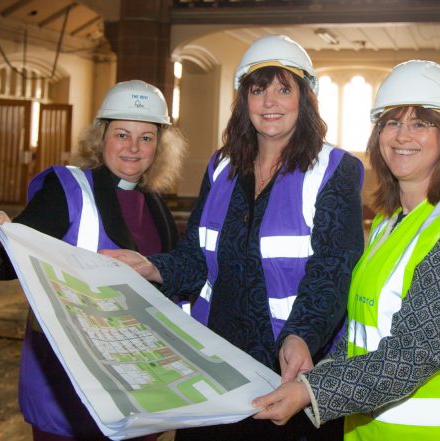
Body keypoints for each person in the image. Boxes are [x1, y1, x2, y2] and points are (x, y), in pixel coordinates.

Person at [102, 35, 364, 441]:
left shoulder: (334, 169)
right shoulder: (222, 165)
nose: (270, 102)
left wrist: (302, 334)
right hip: (215, 366)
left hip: (288, 371)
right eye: (258, 90)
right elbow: (195, 253)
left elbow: (334, 267)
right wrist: (153, 266)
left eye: (283, 89)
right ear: (244, 100)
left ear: (305, 98)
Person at [253, 59, 440, 441]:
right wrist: (314, 373)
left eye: (420, 123)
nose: (402, 136)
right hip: (371, 430)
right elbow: (361, 334)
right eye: (392, 122)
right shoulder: (388, 224)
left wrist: (311, 391)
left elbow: (416, 353)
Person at [0, 80, 186, 441]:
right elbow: (7, 263)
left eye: (146, 137)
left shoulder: (156, 204)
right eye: (122, 134)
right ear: (101, 138)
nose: (133, 147)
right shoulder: (68, 190)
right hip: (71, 388)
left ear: (159, 146)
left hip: (139, 387)